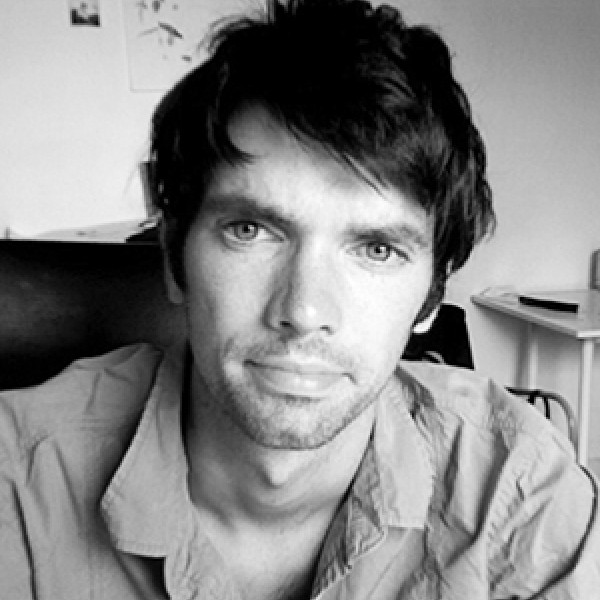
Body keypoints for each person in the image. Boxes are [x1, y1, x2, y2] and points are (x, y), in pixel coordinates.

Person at [1, 0, 598, 598]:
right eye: (250, 231)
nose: (304, 311)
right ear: (174, 260)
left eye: (377, 250)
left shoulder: (515, 487)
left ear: (430, 299)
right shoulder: (18, 481)